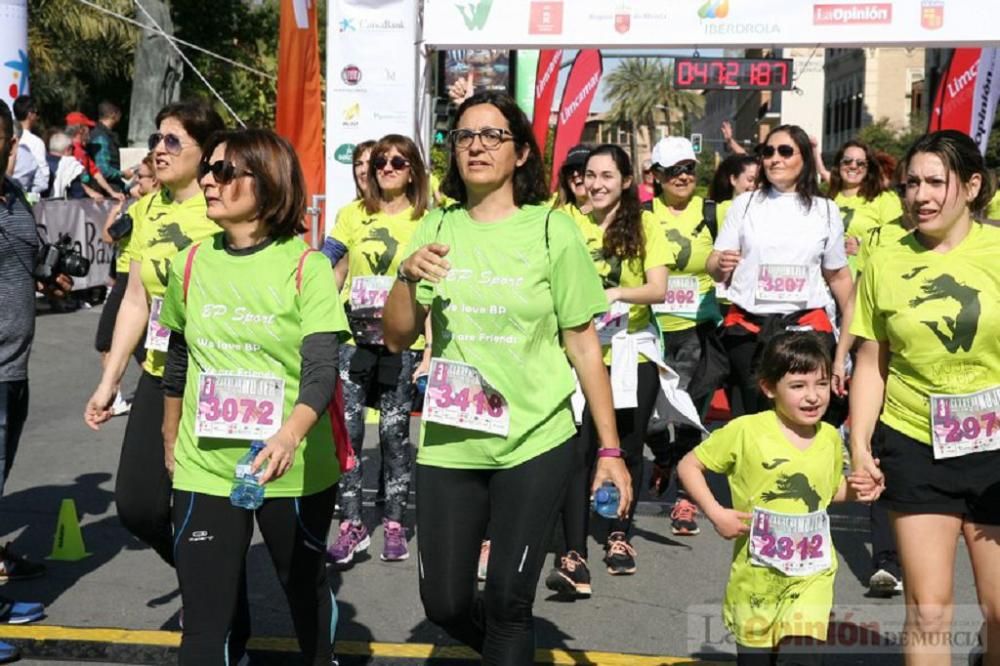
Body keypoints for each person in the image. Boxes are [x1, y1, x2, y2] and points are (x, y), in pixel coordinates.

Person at [382, 91, 631, 665]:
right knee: (443, 603)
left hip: (535, 440)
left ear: (521, 153)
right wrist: (404, 275)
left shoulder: (552, 231)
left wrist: (611, 449)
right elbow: (396, 337)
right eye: (464, 135)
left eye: (492, 135)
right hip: (450, 441)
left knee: (507, 601)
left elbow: (584, 345)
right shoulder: (435, 226)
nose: (475, 145)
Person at [158, 128, 347, 665]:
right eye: (207, 171)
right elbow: (177, 356)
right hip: (204, 466)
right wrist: (170, 433)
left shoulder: (306, 267)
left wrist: (288, 436)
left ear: (265, 184)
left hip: (292, 467)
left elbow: (321, 370)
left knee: (301, 592)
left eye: (223, 172)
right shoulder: (191, 263)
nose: (209, 182)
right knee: (203, 627)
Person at [849, 129, 1000, 666]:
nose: (922, 195)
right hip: (916, 441)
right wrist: (860, 443)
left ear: (972, 185)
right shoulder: (886, 260)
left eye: (937, 181)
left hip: (996, 448)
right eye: (912, 183)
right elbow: (872, 359)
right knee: (930, 609)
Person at [83, 100, 225, 568]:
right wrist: (109, 384)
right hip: (160, 373)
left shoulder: (223, 208)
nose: (159, 151)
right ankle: (203, 583)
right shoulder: (146, 210)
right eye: (155, 141)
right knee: (138, 506)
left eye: (172, 141)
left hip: (214, 381)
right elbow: (135, 300)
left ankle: (217, 605)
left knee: (201, 511)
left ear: (204, 153)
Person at [678, 332, 875, 666]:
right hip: (757, 579)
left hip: (812, 576)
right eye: (798, 386)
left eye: (821, 384)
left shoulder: (828, 438)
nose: (813, 397)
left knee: (802, 657)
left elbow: (826, 493)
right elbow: (689, 465)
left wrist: (859, 489)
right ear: (769, 388)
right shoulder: (746, 431)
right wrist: (716, 513)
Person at [546, 143, 668, 594]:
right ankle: (573, 552)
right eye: (589, 175)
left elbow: (658, 289)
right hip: (577, 354)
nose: (596, 184)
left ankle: (618, 535)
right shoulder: (564, 221)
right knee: (576, 451)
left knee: (626, 451)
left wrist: (615, 295)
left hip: (630, 352)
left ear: (626, 182)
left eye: (607, 177)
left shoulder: (646, 223)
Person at [326, 134, 429, 565]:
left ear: (413, 171)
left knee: (393, 436)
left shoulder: (428, 220)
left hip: (403, 344)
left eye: (398, 162)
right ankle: (351, 525)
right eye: (381, 161)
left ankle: (392, 524)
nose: (386, 168)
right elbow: (331, 267)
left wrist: (431, 352)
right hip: (355, 342)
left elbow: (437, 293)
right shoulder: (352, 215)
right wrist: (318, 326)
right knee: (348, 435)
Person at [706, 124, 854, 418]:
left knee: (803, 424)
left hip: (806, 335)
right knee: (752, 426)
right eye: (767, 151)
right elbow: (714, 266)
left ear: (804, 159)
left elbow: (841, 282)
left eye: (785, 151)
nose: (775, 159)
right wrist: (720, 264)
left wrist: (842, 356)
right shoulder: (744, 204)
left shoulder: (825, 210)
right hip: (748, 335)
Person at [0, 98, 58, 663]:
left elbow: (26, 259)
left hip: (14, 367)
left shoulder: (13, 197)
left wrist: (50, 276)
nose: (2, 146)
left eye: (5, 137)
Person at [643, 136, 725, 537]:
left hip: (698, 330)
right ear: (656, 176)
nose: (683, 176)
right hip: (649, 331)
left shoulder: (712, 212)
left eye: (689, 168)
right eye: (673, 170)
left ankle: (686, 500)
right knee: (651, 419)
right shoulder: (641, 214)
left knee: (692, 418)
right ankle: (663, 457)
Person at [94, 152, 160, 416]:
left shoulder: (139, 209)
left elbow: (109, 236)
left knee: (110, 342)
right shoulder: (145, 206)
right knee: (142, 349)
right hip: (129, 276)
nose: (135, 184)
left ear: (155, 181)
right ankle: (145, 394)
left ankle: (120, 396)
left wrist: (113, 212)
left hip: (129, 280)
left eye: (140, 178)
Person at [827, 140, 903, 273]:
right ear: (838, 165)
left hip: (865, 277)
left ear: (869, 169)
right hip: (829, 279)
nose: (853, 166)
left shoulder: (884, 198)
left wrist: (863, 243)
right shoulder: (828, 199)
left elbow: (899, 235)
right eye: (847, 161)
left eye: (860, 163)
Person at [322, 140, 375, 289]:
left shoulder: (416, 215)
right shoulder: (348, 212)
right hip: (351, 307)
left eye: (369, 163)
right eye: (358, 164)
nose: (363, 170)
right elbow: (328, 258)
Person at [65, 112, 123, 201]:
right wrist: (90, 192)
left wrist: (112, 193)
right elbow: (71, 179)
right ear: (81, 130)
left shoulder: (83, 151)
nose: (90, 131)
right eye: (88, 128)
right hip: (73, 199)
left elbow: (96, 173)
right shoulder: (68, 150)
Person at [89, 101, 133, 192]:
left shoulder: (100, 134)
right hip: (106, 191)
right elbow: (103, 170)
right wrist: (123, 174)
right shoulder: (101, 137)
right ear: (113, 115)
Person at [11, 96, 49, 192]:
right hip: (25, 198)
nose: (38, 117)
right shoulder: (36, 143)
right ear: (30, 115)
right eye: (37, 113)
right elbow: (44, 179)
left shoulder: (6, 137)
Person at [710, 153, 759, 225]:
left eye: (759, 181)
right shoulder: (720, 211)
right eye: (750, 180)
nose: (754, 185)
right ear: (733, 179)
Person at [554, 144, 592, 224]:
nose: (575, 174)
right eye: (570, 170)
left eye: (581, 168)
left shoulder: (612, 214)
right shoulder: (558, 214)